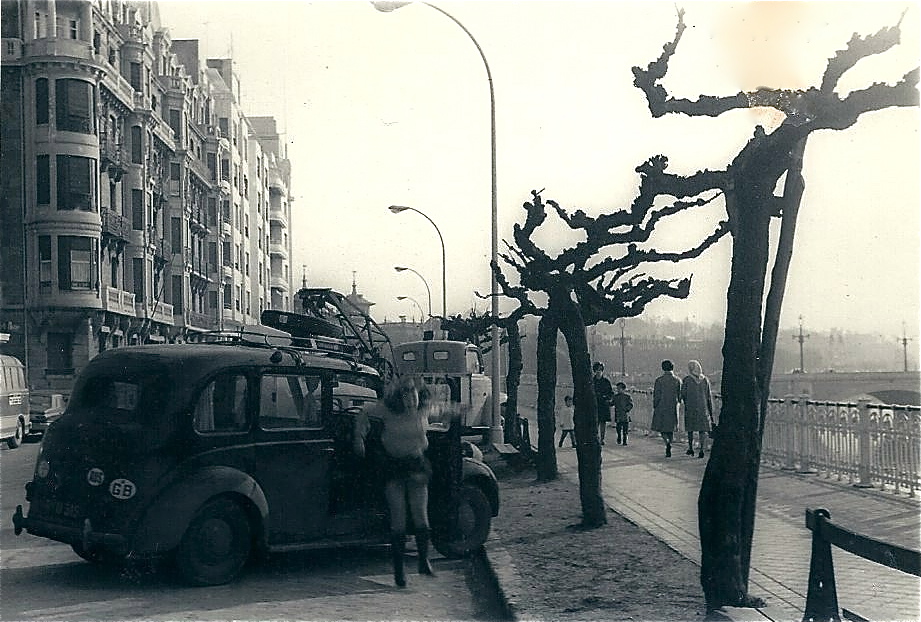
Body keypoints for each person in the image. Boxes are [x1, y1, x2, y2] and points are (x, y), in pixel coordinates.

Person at [353, 375, 439, 587]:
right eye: (406, 394)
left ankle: (423, 561)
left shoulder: (423, 410)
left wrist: (461, 409)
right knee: (398, 519)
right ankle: (399, 571)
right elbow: (364, 413)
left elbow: (445, 409)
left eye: (414, 394)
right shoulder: (385, 410)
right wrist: (358, 438)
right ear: (398, 398)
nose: (411, 399)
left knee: (421, 516)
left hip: (417, 465)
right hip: (393, 468)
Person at [681, 360, 713, 458]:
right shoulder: (705, 380)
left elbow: (683, 394)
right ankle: (702, 449)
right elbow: (709, 396)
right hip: (703, 408)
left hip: (690, 407)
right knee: (702, 430)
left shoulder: (687, 380)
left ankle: (691, 447)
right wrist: (710, 410)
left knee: (690, 429)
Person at [651, 360, 681, 457]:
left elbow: (656, 395)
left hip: (661, 406)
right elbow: (680, 396)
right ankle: (670, 442)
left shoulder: (659, 380)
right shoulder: (677, 380)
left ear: (663, 368)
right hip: (673, 406)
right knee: (671, 428)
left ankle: (667, 442)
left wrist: (655, 405)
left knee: (662, 428)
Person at [592, 362, 614, 445]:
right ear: (594, 370)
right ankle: (595, 437)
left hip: (603, 403)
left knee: (603, 422)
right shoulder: (592, 381)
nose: (599, 371)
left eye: (600, 370)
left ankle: (602, 439)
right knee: (595, 422)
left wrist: (608, 399)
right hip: (594, 403)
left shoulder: (606, 381)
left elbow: (611, 393)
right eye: (597, 370)